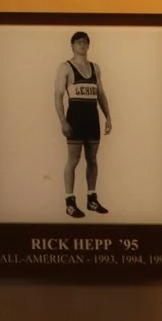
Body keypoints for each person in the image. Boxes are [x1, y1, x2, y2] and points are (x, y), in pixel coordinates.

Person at [51, 30, 113, 218]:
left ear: (88, 45)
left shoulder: (95, 68)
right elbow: (58, 95)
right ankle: (70, 201)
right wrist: (62, 121)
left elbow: (101, 94)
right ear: (72, 45)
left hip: (92, 118)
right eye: (78, 42)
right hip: (75, 118)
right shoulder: (66, 67)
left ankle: (91, 199)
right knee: (73, 160)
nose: (82, 45)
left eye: (85, 42)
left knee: (92, 159)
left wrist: (108, 117)